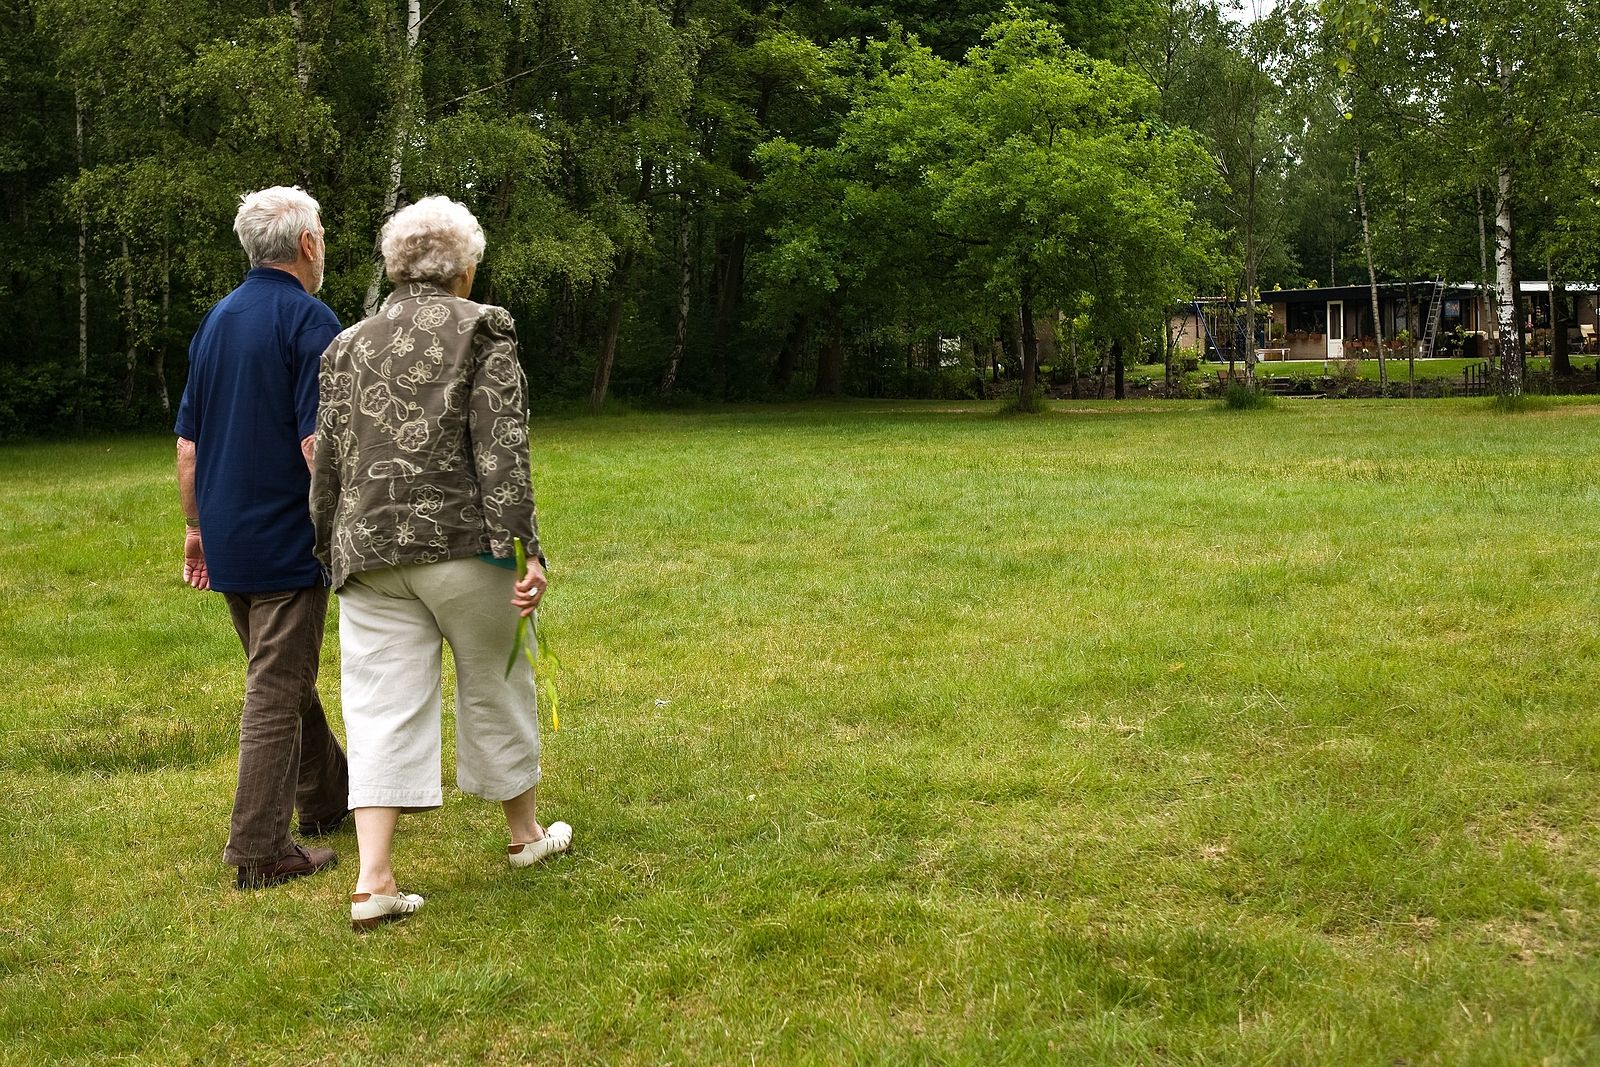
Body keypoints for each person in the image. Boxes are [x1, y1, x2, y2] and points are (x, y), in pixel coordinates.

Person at [311, 195, 570, 931]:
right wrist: (526, 549)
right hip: (463, 543)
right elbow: (501, 449)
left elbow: (326, 458)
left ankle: (374, 881)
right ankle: (524, 835)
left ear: (396, 267)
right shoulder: (484, 325)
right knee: (497, 677)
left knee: (379, 705)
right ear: (464, 268)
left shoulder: (347, 344)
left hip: (366, 549)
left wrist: (327, 542)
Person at [175, 186, 350, 889]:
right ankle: (258, 850)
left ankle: (329, 797)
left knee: (284, 677)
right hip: (286, 538)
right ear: (307, 245)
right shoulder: (310, 319)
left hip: (227, 536)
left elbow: (187, 445)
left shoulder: (215, 320)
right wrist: (346, 526)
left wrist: (194, 529)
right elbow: (320, 444)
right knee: (277, 689)